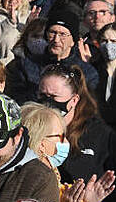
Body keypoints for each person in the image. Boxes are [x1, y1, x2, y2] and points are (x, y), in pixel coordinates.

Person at [38, 63, 116, 195]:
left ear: (74, 100)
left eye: (54, 97)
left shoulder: (100, 134)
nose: (47, 103)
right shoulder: (32, 129)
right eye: (43, 96)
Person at [6, 8, 98, 103]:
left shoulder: (87, 73)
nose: (56, 39)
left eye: (63, 34)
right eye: (52, 32)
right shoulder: (26, 66)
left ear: (73, 41)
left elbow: (87, 105)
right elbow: (14, 98)